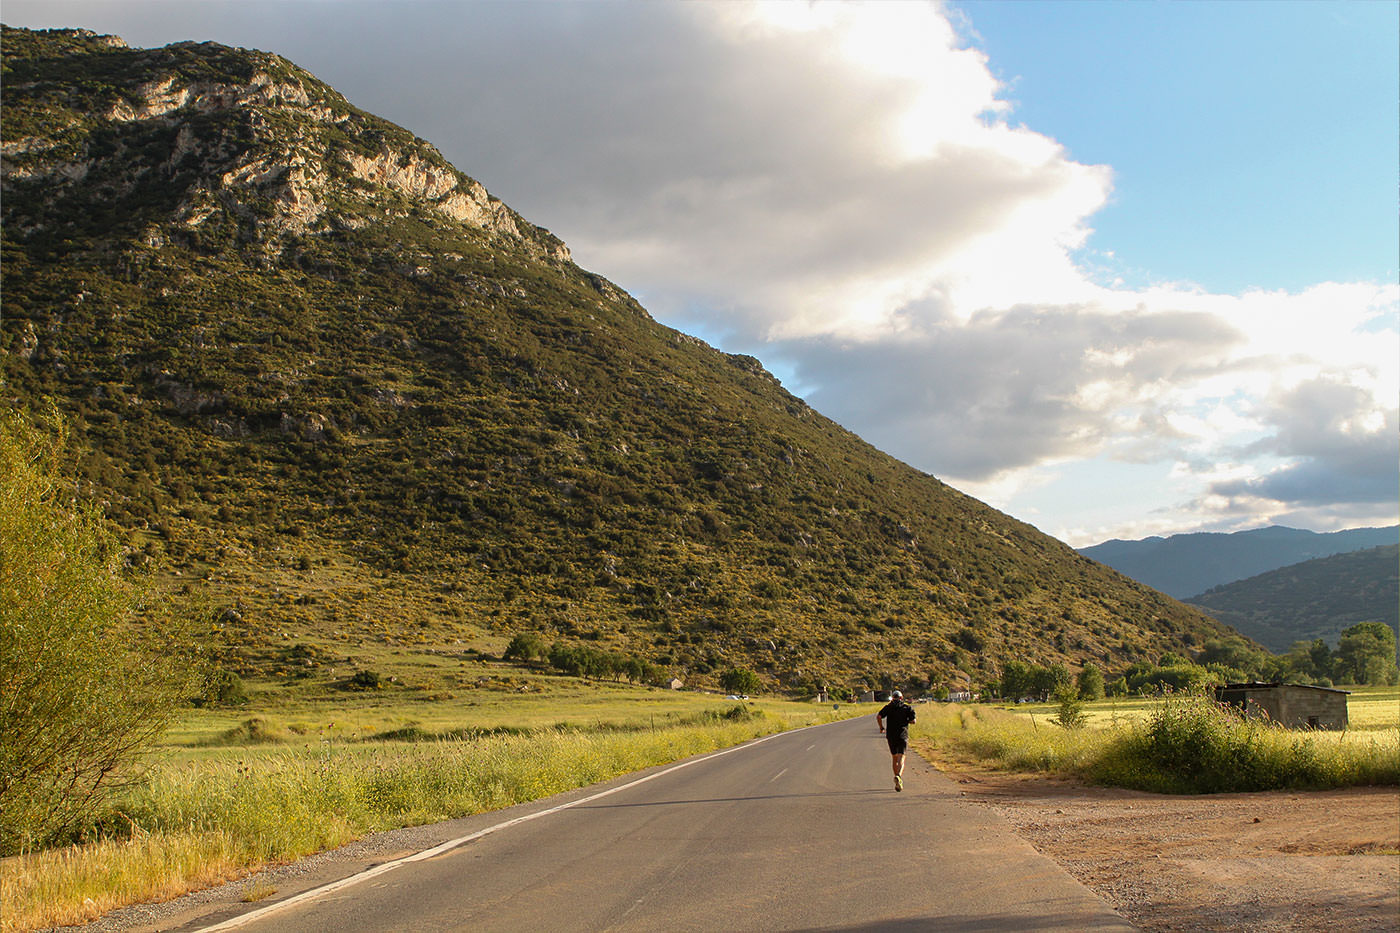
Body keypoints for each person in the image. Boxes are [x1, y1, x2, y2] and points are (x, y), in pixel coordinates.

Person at [876, 690, 916, 791]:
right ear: (901, 698)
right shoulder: (907, 708)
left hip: (891, 736)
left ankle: (897, 779)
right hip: (902, 735)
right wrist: (907, 721)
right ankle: (898, 776)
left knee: (894, 757)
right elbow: (913, 721)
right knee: (901, 757)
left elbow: (879, 716)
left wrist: (881, 727)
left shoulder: (888, 707)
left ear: (892, 698)